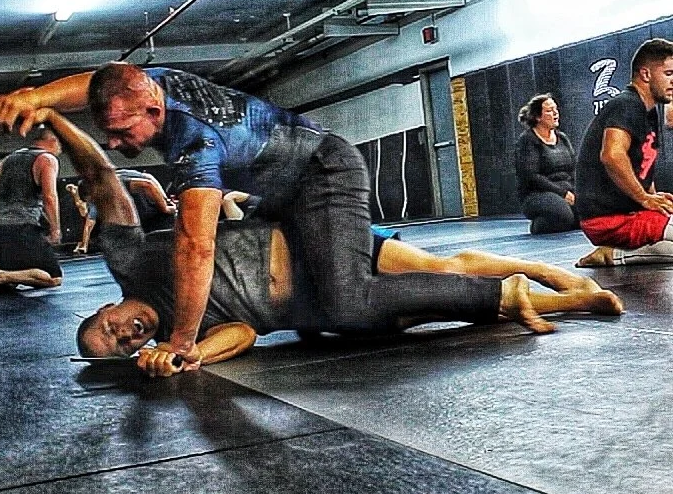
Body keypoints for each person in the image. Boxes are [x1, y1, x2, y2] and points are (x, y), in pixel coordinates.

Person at [31, 107, 621, 374]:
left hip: (319, 243)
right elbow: (246, 332)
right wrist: (192, 356)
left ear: (107, 306)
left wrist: (57, 118)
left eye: (113, 328)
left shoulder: (131, 262)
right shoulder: (181, 331)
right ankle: (571, 300)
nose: (129, 333)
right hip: (316, 303)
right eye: (125, 347)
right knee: (431, 306)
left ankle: (551, 277)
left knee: (444, 270)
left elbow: (105, 183)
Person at [575, 38, 673, 267]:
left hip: (629, 212)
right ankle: (612, 253)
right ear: (646, 74)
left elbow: (643, 166)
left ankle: (613, 254)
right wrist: (644, 199)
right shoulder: (626, 104)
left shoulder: (648, 112)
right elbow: (612, 155)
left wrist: (654, 198)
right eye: (668, 73)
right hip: (609, 219)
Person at [0, 127, 64, 296]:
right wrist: (55, 229)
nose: (61, 149)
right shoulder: (47, 159)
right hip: (23, 228)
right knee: (53, 277)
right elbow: (50, 197)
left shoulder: (9, 158)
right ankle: (0, 276)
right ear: (52, 140)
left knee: (16, 274)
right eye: (60, 144)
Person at [67, 169, 176, 253]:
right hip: (144, 198)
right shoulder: (103, 189)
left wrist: (164, 206)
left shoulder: (113, 186)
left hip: (151, 203)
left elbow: (148, 183)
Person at [515, 93, 579, 234]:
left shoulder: (562, 138)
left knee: (589, 213)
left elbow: (573, 168)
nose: (555, 113)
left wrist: (577, 191)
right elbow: (532, 177)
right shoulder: (527, 140)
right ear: (537, 117)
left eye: (556, 109)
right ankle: (539, 225)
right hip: (537, 194)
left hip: (566, 190)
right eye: (549, 110)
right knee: (563, 216)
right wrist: (562, 193)